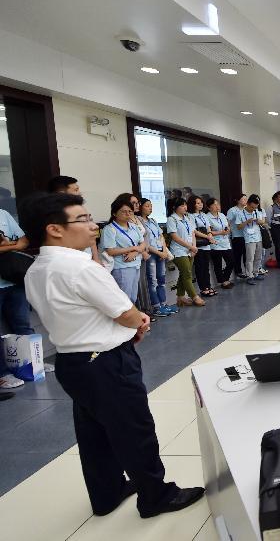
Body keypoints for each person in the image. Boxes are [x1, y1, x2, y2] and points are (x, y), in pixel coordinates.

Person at [21, 192, 205, 518]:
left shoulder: (37, 268)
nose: (93, 226)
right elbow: (126, 312)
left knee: (94, 432)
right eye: (83, 219)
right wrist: (140, 321)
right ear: (55, 229)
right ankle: (155, 496)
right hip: (104, 360)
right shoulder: (80, 269)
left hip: (72, 361)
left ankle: (106, 493)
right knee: (134, 430)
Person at [0, 207, 35, 395]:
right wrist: (11, 244)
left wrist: (9, 246)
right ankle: (3, 374)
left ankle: (31, 364)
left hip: (13, 279)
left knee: (23, 324)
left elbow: (23, 242)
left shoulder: (3, 214)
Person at [100, 196, 146, 303]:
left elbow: (143, 243)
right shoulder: (109, 229)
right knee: (124, 298)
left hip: (136, 264)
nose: (128, 214)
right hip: (121, 267)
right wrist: (134, 248)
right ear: (114, 213)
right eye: (124, 212)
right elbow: (110, 251)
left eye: (130, 211)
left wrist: (135, 252)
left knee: (133, 297)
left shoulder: (133, 226)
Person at [47, 175, 102, 264]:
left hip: (87, 259)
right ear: (62, 193)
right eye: (76, 190)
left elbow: (92, 236)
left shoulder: (81, 209)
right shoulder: (52, 215)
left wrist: (96, 258)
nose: (80, 193)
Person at [137, 198, 176, 319]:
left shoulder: (153, 220)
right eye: (147, 206)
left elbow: (161, 236)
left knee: (161, 280)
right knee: (152, 281)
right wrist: (159, 253)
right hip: (151, 253)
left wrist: (164, 251)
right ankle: (156, 306)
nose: (150, 208)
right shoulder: (138, 221)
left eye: (151, 206)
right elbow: (144, 242)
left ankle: (164, 304)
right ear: (141, 207)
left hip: (161, 252)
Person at [166, 198, 204, 307]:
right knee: (187, 273)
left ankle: (180, 297)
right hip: (178, 250)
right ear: (175, 207)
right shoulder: (172, 219)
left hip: (190, 249)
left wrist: (193, 246)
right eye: (182, 206)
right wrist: (190, 247)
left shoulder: (187, 218)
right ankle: (194, 296)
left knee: (184, 273)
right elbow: (175, 237)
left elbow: (192, 233)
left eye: (185, 205)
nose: (185, 207)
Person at [187, 195, 216, 297]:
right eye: (197, 203)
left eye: (201, 203)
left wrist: (210, 235)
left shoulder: (204, 215)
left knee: (206, 267)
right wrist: (208, 237)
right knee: (200, 268)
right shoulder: (190, 216)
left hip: (207, 245)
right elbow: (194, 231)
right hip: (198, 245)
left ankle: (208, 286)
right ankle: (203, 288)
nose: (200, 205)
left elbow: (208, 228)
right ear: (192, 204)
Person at [234, 194, 266, 284]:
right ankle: (249, 276)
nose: (253, 209)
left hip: (258, 237)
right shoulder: (240, 213)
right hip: (249, 239)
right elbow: (238, 227)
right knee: (250, 258)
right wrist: (247, 221)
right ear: (247, 204)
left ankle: (256, 273)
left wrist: (257, 221)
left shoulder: (256, 212)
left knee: (258, 257)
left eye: (255, 207)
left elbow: (263, 222)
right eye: (252, 207)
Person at [205, 198, 235, 289]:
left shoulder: (222, 215)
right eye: (215, 205)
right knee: (218, 265)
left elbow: (227, 226)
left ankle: (224, 279)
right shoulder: (207, 217)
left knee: (231, 262)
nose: (217, 206)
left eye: (218, 204)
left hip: (225, 242)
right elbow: (208, 231)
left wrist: (228, 229)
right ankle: (223, 282)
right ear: (209, 207)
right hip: (215, 243)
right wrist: (220, 232)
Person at [227, 194, 248, 279]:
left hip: (247, 235)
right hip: (237, 236)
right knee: (237, 255)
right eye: (243, 199)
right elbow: (227, 222)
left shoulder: (246, 210)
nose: (245, 201)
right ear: (238, 200)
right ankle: (238, 271)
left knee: (247, 255)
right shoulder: (232, 210)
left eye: (246, 199)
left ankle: (248, 271)